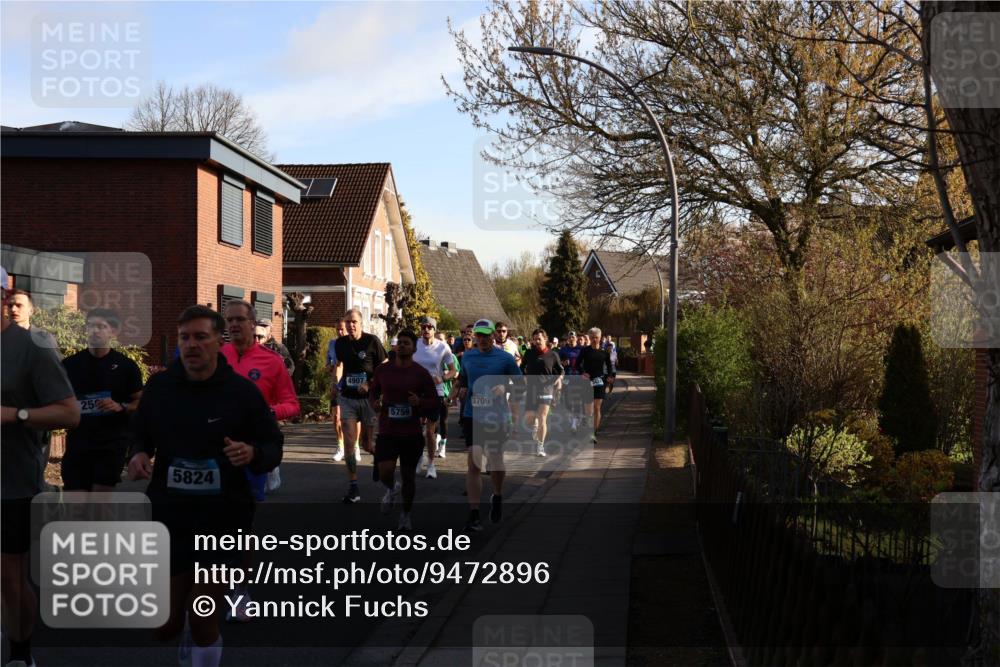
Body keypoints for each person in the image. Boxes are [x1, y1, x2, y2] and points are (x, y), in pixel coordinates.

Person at [127, 305, 282, 667]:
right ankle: (186, 636)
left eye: (200, 337)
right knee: (163, 626)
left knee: (202, 617)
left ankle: (203, 645)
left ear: (218, 340)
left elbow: (272, 444)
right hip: (171, 516)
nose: (191, 345)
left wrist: (253, 452)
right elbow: (140, 433)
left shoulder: (241, 393)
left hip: (223, 517)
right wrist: (137, 454)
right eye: (185, 338)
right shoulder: (161, 387)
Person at [1, 267, 80, 667]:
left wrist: (13, 415)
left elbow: (70, 413)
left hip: (11, 482)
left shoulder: (34, 345)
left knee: (8, 576)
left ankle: (20, 653)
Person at [222, 300, 299, 502]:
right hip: (219, 443)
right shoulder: (217, 356)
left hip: (254, 443)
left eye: (240, 319)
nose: (234, 324)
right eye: (229, 320)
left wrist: (268, 413)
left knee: (248, 506)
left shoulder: (272, 361)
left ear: (252, 323)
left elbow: (292, 404)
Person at [60, 308, 144, 491]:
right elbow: (57, 400)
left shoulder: (126, 367)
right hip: (78, 443)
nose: (95, 331)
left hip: (110, 444)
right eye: (90, 326)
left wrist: (121, 406)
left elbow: (141, 403)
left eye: (101, 326)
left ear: (113, 331)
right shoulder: (70, 365)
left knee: (100, 505)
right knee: (75, 506)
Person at [368, 329, 439, 531]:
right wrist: (374, 403)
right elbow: (374, 391)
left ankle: (406, 515)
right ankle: (390, 489)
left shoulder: (420, 373)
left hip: (411, 433)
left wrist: (420, 402)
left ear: (414, 348)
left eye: (407, 343)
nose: (402, 345)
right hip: (388, 431)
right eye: (400, 342)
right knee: (385, 471)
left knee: (409, 477)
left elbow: (433, 400)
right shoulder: (384, 370)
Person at [457, 319, 522, 532]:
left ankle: (497, 495)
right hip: (472, 414)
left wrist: (505, 387)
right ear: (475, 336)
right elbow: (464, 380)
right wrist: (462, 389)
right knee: (474, 463)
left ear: (493, 336)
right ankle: (474, 513)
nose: (483, 339)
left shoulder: (505, 358)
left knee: (495, 460)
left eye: (487, 335)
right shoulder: (467, 356)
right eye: (479, 335)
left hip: (497, 417)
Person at [331, 308, 387, 503]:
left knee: (367, 444)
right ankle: (353, 486)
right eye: (347, 322)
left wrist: (370, 383)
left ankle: (378, 455)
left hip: (369, 400)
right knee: (349, 443)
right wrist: (335, 385)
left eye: (354, 322)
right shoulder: (340, 344)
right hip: (348, 399)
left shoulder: (372, 341)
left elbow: (384, 365)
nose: (350, 325)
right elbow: (339, 366)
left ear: (361, 323)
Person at [412, 316, 457, 478]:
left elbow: (453, 371)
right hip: (415, 392)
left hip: (434, 392)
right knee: (416, 430)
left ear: (434, 329)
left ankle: (431, 464)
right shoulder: (414, 345)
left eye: (429, 327)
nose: (426, 330)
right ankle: (419, 458)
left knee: (430, 430)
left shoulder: (442, 347)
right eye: (423, 327)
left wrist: (443, 378)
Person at [520, 328, 564, 457]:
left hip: (547, 388)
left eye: (539, 339)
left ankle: (540, 447)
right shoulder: (529, 353)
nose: (537, 341)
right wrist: (524, 377)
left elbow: (561, 370)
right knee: (529, 418)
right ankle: (535, 426)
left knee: (543, 417)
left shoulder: (553, 355)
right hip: (532, 389)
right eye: (534, 339)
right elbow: (522, 367)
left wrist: (559, 379)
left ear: (545, 339)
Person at [576, 326, 616, 441]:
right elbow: (577, 364)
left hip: (600, 381)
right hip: (587, 381)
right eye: (592, 337)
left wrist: (610, 377)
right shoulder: (585, 350)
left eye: (597, 337)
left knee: (597, 407)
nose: (594, 340)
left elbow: (609, 366)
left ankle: (593, 433)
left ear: (600, 338)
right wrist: (583, 373)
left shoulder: (604, 352)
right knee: (589, 410)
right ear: (589, 337)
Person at [326, 318, 348, 462]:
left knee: (353, 418)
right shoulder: (333, 343)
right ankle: (340, 446)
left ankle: (355, 445)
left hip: (350, 383)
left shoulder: (353, 343)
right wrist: (328, 366)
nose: (340, 332)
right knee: (336, 417)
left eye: (342, 329)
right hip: (336, 383)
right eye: (337, 329)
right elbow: (328, 362)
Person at [558, 331, 585, 432]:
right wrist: (563, 363)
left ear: (576, 338)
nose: (571, 338)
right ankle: (573, 416)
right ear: (568, 339)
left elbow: (586, 361)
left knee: (577, 399)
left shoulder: (581, 349)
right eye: (570, 337)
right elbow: (558, 363)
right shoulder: (563, 350)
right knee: (567, 400)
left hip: (578, 377)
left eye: (573, 336)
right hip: (567, 377)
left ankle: (574, 422)